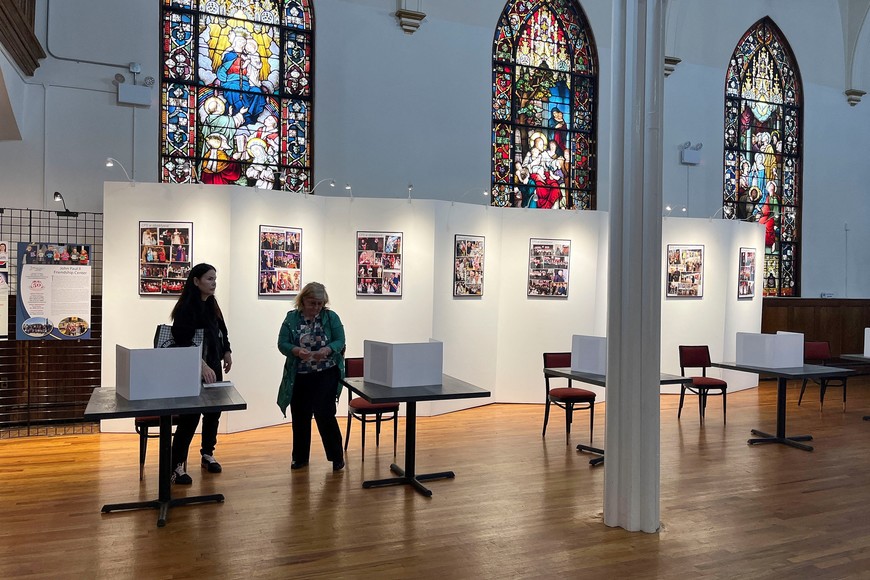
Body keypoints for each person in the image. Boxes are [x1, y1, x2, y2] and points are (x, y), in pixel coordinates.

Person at [169, 263, 233, 484]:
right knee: (190, 417)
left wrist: (227, 351)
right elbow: (182, 341)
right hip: (192, 368)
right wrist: (201, 365)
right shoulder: (187, 308)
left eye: (215, 278)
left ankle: (207, 453)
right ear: (196, 281)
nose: (213, 282)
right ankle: (176, 465)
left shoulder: (212, 303)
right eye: (209, 278)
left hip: (212, 364)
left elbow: (222, 330)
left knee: (213, 412)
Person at [276, 282, 346, 472]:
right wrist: (296, 350)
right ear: (303, 300)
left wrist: (328, 349)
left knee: (325, 414)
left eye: (319, 304)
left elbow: (340, 340)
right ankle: (299, 457)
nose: (316, 308)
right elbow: (282, 343)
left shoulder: (331, 317)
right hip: (300, 375)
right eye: (312, 303)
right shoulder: (291, 319)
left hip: (326, 373)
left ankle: (336, 457)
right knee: (300, 416)